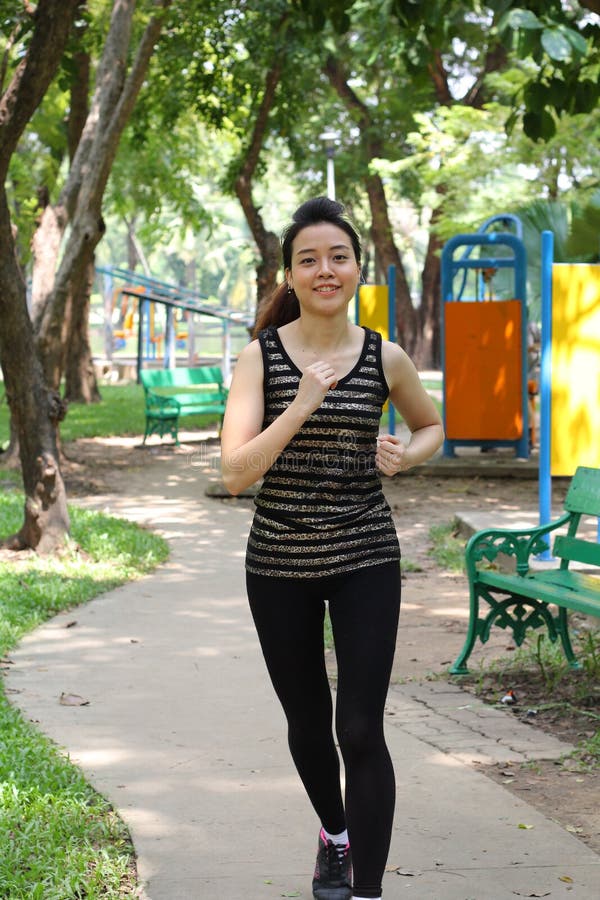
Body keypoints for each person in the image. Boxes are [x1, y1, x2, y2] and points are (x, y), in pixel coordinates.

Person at [220, 197, 443, 900]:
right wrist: (301, 404)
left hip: (365, 556)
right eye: (309, 259)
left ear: (357, 268)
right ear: (289, 274)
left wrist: (410, 455)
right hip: (278, 563)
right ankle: (335, 835)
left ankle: (368, 890)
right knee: (309, 724)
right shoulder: (260, 358)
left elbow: (431, 425)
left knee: (360, 725)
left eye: (337, 257)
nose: (325, 270)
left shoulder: (385, 356)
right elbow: (234, 475)